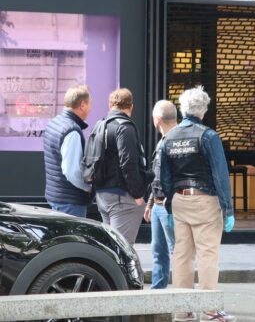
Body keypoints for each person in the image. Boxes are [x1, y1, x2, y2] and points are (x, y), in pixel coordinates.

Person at [161, 86, 236, 322]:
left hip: (180, 201)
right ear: (203, 110)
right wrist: (228, 209)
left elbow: (164, 177)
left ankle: (184, 310)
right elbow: (220, 174)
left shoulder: (169, 138)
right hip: (205, 200)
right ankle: (210, 310)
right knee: (208, 254)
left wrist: (169, 206)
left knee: (182, 254)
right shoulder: (208, 136)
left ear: (183, 109)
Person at [95, 88, 154, 245]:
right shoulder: (125, 128)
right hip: (122, 197)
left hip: (103, 196)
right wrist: (138, 195)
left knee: (111, 249)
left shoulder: (100, 125)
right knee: (122, 250)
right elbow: (128, 163)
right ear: (131, 107)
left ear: (110, 105)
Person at [44, 84, 92, 217]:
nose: (90, 109)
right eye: (89, 104)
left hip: (56, 196)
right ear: (82, 105)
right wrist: (89, 188)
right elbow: (72, 172)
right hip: (70, 201)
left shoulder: (54, 123)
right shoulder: (72, 131)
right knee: (71, 238)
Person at [144, 100, 176, 289]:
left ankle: (182, 293)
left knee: (175, 252)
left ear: (157, 119)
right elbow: (158, 176)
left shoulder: (173, 140)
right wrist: (150, 203)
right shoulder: (163, 141)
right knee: (159, 252)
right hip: (158, 204)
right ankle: (157, 293)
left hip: (167, 205)